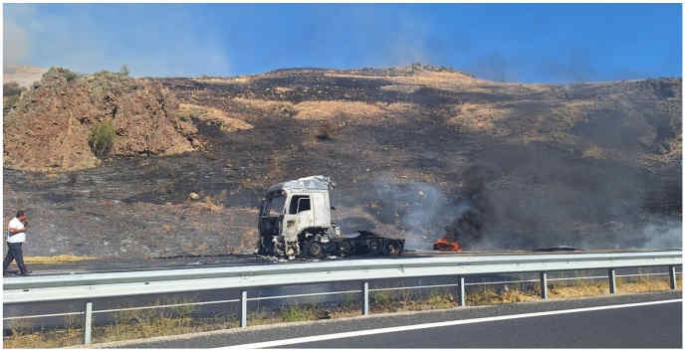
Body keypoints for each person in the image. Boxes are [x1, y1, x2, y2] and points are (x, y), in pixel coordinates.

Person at [3, 210, 31, 276]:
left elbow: (24, 229)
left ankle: (2, 270)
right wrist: (22, 230)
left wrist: (26, 224)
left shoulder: (19, 222)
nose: (25, 217)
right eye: (24, 215)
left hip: (16, 243)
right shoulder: (13, 221)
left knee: (9, 258)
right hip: (14, 243)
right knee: (19, 257)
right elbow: (12, 230)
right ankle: (24, 271)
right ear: (21, 216)